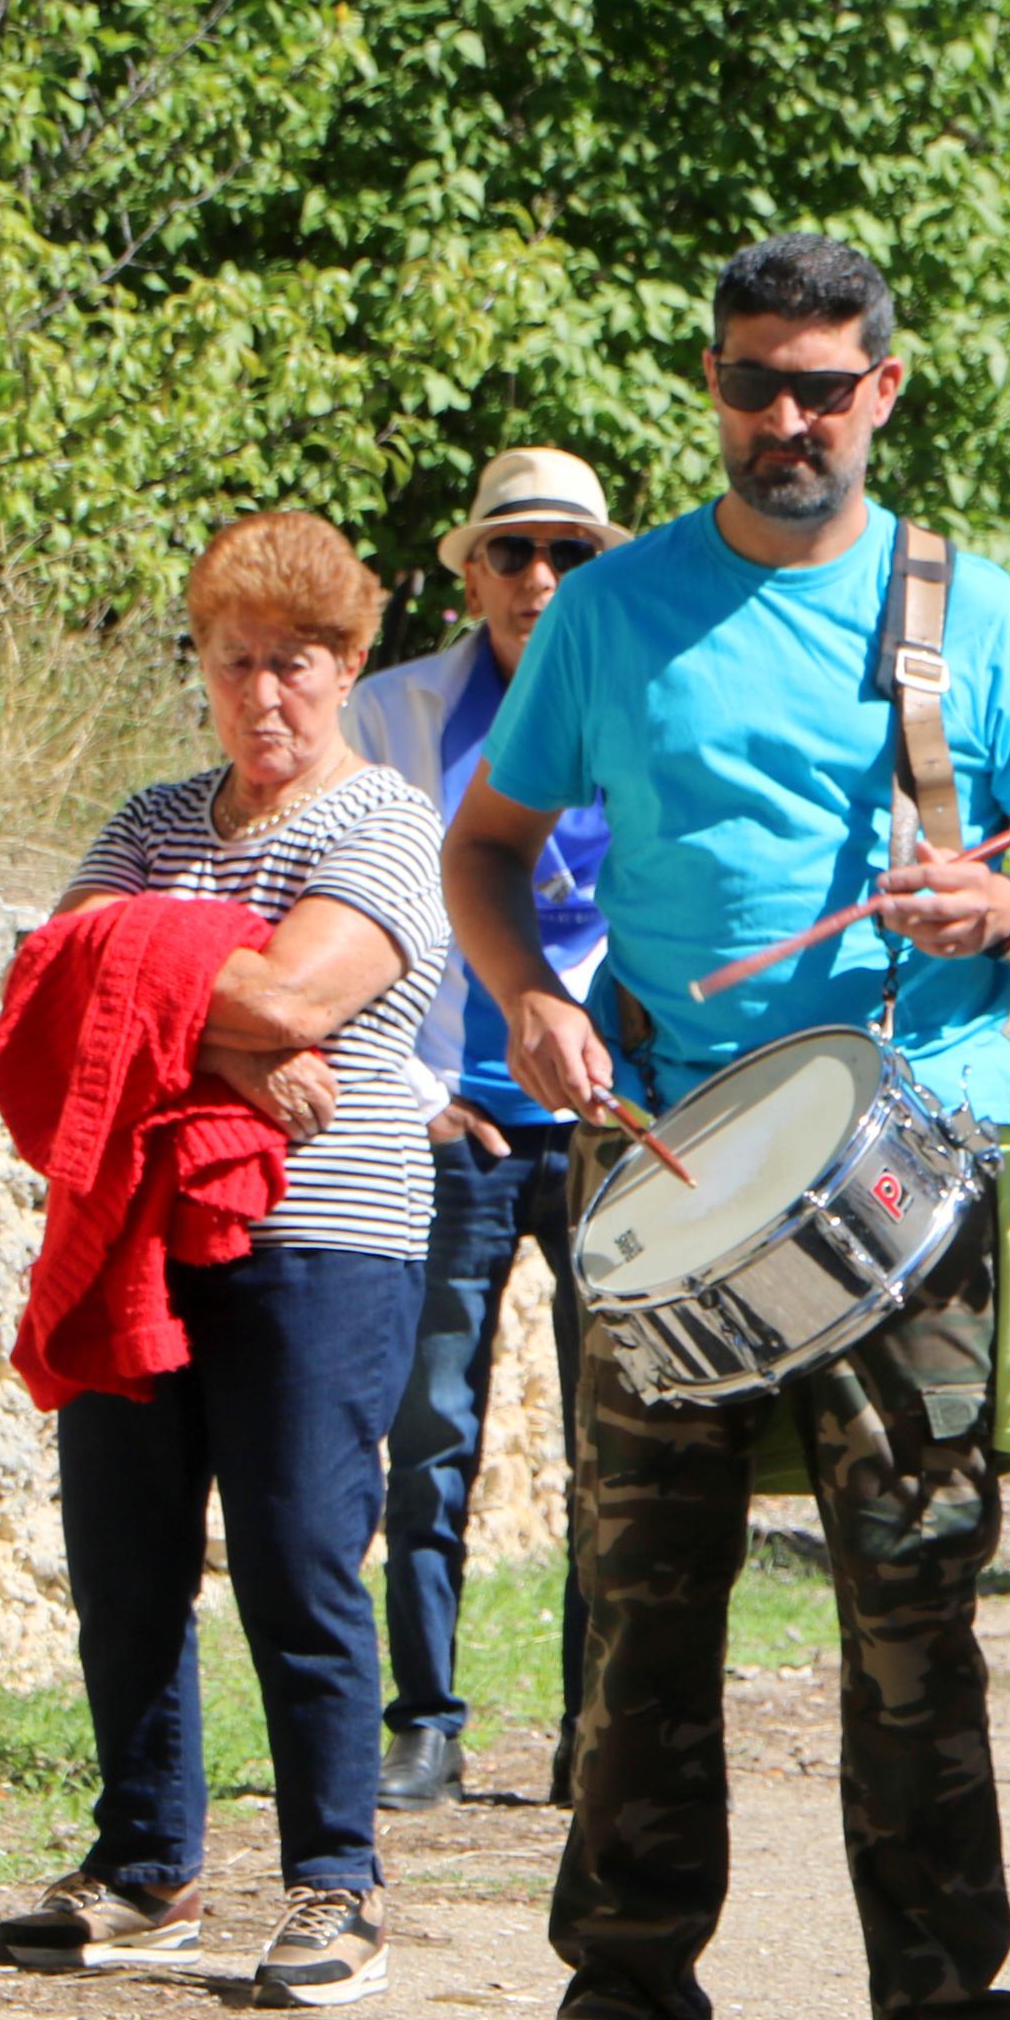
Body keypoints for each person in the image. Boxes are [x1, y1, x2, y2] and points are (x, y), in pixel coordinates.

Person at [445, 231, 1010, 2020]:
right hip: (667, 1157)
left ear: (883, 393)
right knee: (637, 1611)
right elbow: (487, 850)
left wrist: (1007, 902)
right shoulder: (611, 613)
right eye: (752, 381)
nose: (784, 420)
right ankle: (625, 2012)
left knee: (911, 1610)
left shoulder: (973, 618)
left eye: (821, 386)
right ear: (712, 383)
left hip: (909, 1168)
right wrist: (524, 1001)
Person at [0, 511, 452, 2009]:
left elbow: (306, 988)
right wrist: (239, 1047)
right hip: (135, 1221)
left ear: (350, 666)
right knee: (122, 1556)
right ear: (200, 663)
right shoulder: (150, 815)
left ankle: (334, 1877)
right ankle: (144, 1866)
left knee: (296, 1554)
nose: (264, 696)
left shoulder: (384, 825)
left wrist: (176, 978)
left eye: (296, 665)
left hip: (319, 1231)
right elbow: (53, 979)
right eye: (235, 661)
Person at [343, 447, 629, 1815]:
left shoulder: (641, 701)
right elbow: (348, 899)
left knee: (608, 1437)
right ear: (468, 570)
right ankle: (426, 1720)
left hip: (606, 1127)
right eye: (511, 550)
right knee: (432, 1431)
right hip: (457, 1120)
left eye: (568, 551)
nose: (539, 578)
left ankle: (593, 1719)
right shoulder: (397, 713)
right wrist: (413, 1085)